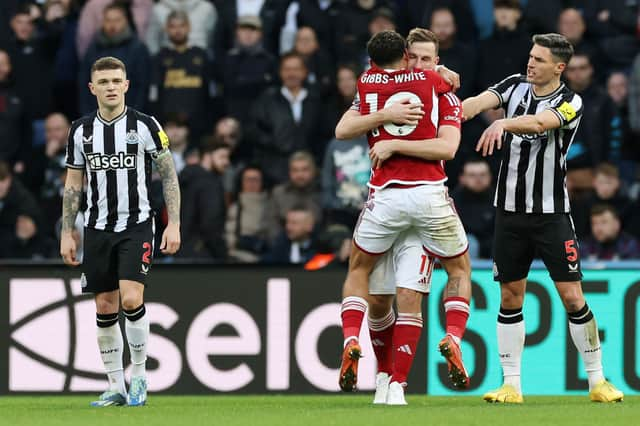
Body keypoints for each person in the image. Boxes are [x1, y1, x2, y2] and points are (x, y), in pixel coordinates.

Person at [461, 33, 623, 403]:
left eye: (538, 59)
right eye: (530, 55)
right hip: (509, 213)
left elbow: (539, 124)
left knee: (571, 296)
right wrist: (450, 104)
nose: (530, 62)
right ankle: (511, 385)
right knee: (510, 295)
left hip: (552, 214)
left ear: (559, 67)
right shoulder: (514, 85)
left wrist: (503, 124)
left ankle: (597, 381)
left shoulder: (571, 102)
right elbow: (476, 103)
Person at [335, 28, 471, 403]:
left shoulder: (377, 84)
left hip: (392, 199)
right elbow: (344, 127)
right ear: (406, 56)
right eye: (416, 57)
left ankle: (396, 381)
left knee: (401, 293)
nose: (421, 64)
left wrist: (392, 140)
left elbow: (448, 146)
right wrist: (386, 113)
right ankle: (385, 378)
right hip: (422, 201)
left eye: (429, 59)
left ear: (438, 61)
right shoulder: (425, 86)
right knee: (381, 299)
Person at [60, 56, 181, 407]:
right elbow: (72, 184)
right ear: (92, 88)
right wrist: (68, 231)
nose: (111, 87)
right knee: (104, 305)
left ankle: (139, 376)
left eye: (117, 80)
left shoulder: (145, 125)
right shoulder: (80, 131)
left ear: (126, 85)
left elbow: (169, 175)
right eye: (104, 81)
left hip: (137, 224)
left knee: (131, 299)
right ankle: (115, 385)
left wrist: (173, 223)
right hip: (97, 228)